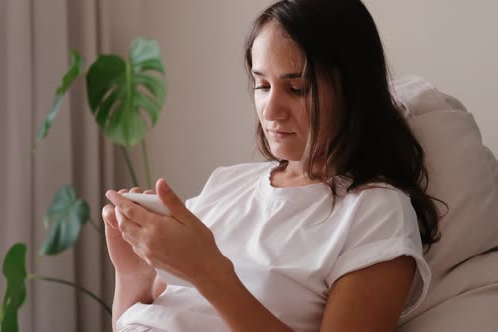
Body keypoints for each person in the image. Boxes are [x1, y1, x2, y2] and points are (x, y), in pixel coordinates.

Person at [102, 0, 442, 331]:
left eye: (297, 88)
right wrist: (132, 272)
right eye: (262, 85)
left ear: (352, 92)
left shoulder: (375, 211)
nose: (270, 110)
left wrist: (208, 272)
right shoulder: (226, 184)